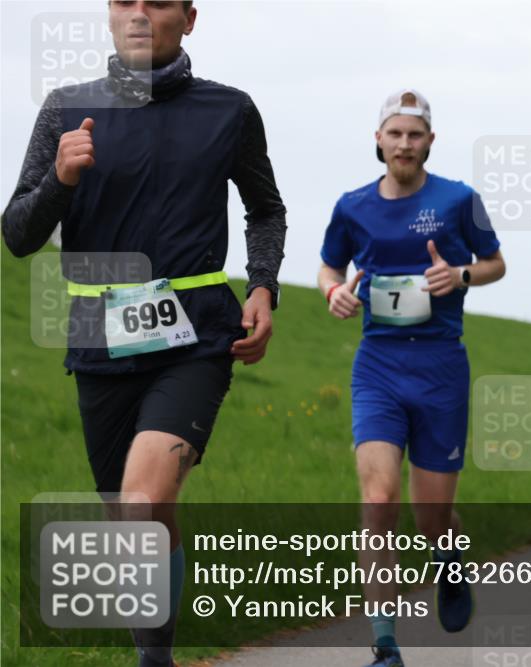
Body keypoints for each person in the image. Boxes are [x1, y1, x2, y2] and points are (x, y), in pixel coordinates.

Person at [1, 3, 286, 665]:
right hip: (99, 343)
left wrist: (264, 285)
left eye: (156, 2)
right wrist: (60, 180)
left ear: (188, 19)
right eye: (124, 0)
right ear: (108, 15)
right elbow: (17, 235)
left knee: (143, 496)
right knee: (134, 519)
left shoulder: (230, 111)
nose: (138, 14)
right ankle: (160, 647)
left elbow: (264, 209)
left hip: (196, 339)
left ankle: (152, 662)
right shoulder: (66, 108)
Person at [318, 89, 505, 667]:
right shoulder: (351, 206)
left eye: (415, 134)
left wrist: (463, 276)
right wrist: (334, 292)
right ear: (379, 139)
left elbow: (496, 261)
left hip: (441, 368)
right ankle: (384, 644)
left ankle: (449, 563)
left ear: (430, 142)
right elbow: (330, 264)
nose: (404, 143)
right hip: (378, 366)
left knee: (429, 520)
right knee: (378, 499)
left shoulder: (460, 199)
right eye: (395, 133)